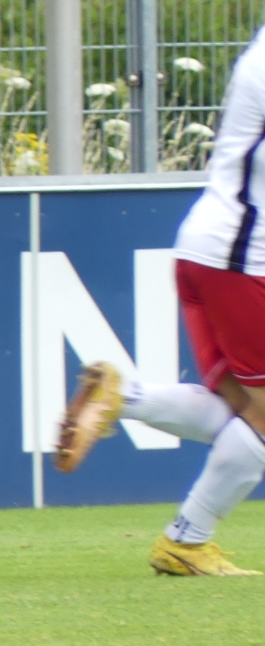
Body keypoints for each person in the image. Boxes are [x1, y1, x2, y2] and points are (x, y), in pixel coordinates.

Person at [55, 29, 265, 576]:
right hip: (240, 260)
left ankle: (120, 397)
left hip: (209, 250)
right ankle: (185, 541)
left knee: (243, 413)